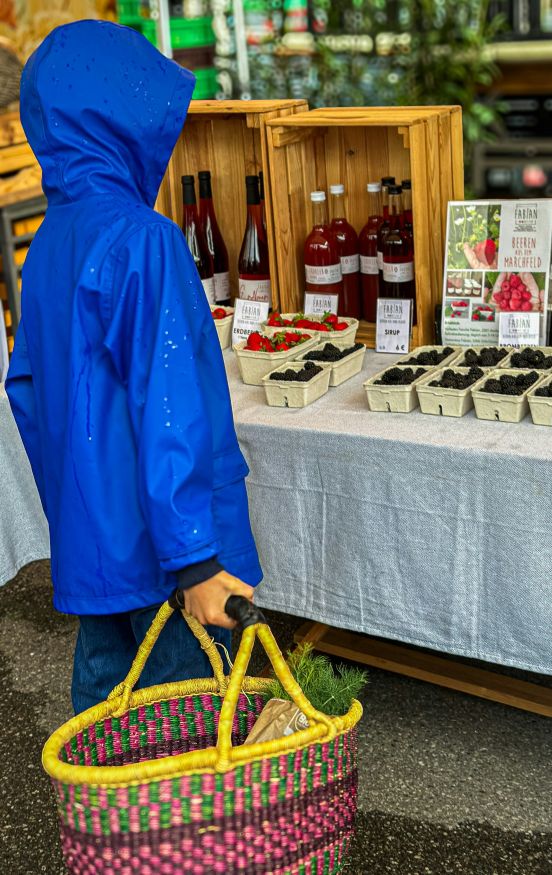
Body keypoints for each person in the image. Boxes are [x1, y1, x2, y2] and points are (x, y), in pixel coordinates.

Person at [5, 20, 262, 715]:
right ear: (123, 119)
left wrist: (80, 509)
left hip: (93, 547)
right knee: (196, 746)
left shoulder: (50, 243)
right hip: (169, 559)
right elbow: (169, 410)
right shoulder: (142, 239)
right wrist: (198, 560)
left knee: (109, 737)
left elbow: (27, 392)